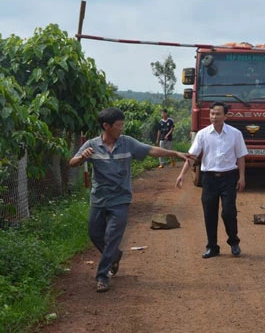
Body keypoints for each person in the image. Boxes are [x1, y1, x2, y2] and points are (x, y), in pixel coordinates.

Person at [70, 107, 191, 293]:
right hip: (99, 198)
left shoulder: (127, 143)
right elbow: (72, 162)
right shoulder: (91, 145)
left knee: (112, 237)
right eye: (119, 125)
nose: (122, 128)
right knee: (95, 233)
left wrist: (175, 154)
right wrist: (81, 158)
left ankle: (102, 276)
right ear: (106, 126)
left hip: (121, 199)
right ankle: (114, 256)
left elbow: (151, 150)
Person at [176, 102, 248, 258]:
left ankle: (234, 241)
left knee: (228, 212)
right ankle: (212, 247)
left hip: (229, 177)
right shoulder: (202, 134)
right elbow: (192, 156)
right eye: (212, 114)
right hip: (209, 178)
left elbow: (241, 156)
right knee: (209, 213)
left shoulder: (235, 134)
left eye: (218, 114)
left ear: (225, 116)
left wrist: (242, 177)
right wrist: (182, 175)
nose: (214, 117)